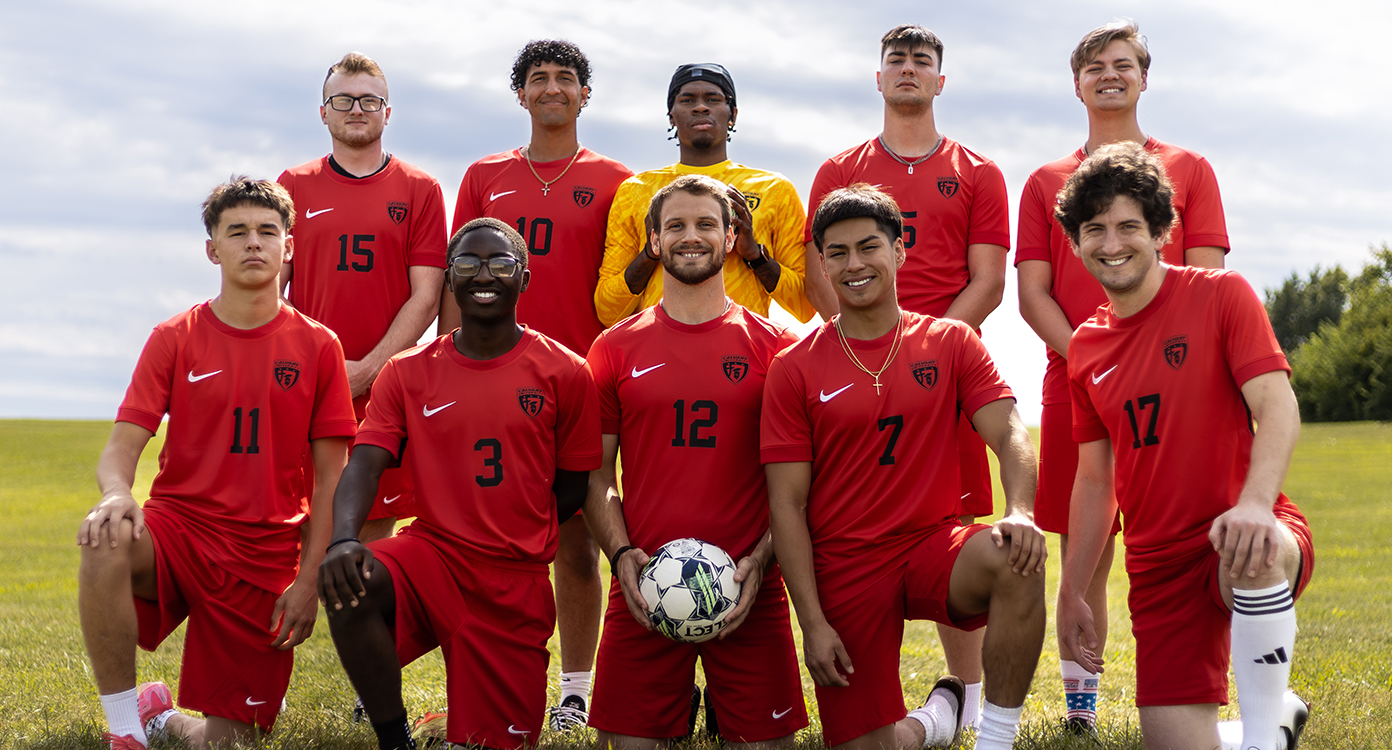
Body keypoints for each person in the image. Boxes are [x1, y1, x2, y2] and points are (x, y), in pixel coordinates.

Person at [77, 178, 356, 749]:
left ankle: (165, 717)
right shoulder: (174, 337)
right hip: (179, 531)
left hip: (263, 552)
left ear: (289, 247)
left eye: (267, 232)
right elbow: (122, 448)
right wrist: (115, 492)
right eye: (238, 232)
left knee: (230, 744)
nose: (254, 243)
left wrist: (307, 581)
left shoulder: (319, 345)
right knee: (104, 537)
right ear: (213, 249)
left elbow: (332, 480)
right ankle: (125, 729)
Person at [764, 185, 1046, 750]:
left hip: (931, 543)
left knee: (1015, 558)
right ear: (821, 263)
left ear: (900, 251)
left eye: (869, 246)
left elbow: (1010, 430)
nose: (854, 264)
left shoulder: (949, 342)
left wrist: (1019, 511)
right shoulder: (793, 367)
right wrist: (813, 624)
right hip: (846, 564)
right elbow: (786, 505)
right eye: (837, 253)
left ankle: (995, 739)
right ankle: (935, 721)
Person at [1055, 143, 1312, 750]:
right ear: (1075, 242)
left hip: (1241, 523)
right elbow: (1095, 480)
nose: (1111, 243)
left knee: (1257, 549)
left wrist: (1255, 504)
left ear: (1161, 231)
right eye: (1094, 229)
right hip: (1159, 568)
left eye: (1128, 226)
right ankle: (1276, 726)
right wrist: (1070, 590)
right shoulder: (1086, 350)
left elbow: (1277, 405)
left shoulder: (1221, 296)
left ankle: (1258, 731)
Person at [1012, 21, 1230, 729]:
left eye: (1123, 63)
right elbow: (1033, 292)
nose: (1109, 74)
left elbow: (1206, 277)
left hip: (1177, 385)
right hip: (1077, 376)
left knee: (1187, 541)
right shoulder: (1046, 181)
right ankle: (1082, 711)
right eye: (1094, 66)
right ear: (1076, 84)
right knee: (1086, 546)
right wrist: (1094, 361)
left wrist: (1149, 363)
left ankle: (1205, 696)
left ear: (1144, 76)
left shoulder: (1189, 167)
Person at [318, 218, 601, 750]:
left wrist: (517, 527)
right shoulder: (407, 371)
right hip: (435, 556)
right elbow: (365, 463)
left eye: (500, 263)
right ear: (449, 278)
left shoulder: (566, 371)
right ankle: (393, 738)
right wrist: (344, 538)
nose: (483, 275)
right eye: (468, 264)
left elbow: (572, 484)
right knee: (350, 582)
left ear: (525, 278)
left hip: (513, 578)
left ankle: (454, 722)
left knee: (492, 743)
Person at [801, 24, 1011, 726]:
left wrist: (931, 350)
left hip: (944, 377)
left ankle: (970, 699)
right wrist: (860, 345)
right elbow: (819, 271)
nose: (910, 69)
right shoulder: (839, 169)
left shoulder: (978, 171)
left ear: (940, 81)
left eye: (924, 60)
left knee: (955, 522)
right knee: (853, 520)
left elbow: (987, 281)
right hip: (852, 375)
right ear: (880, 78)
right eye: (898, 59)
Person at [439, 40, 632, 729]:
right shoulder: (485, 174)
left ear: (585, 95)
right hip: (489, 376)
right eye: (538, 79)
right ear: (519, 94)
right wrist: (444, 362)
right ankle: (484, 680)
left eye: (566, 78)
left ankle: (574, 693)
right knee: (479, 540)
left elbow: (625, 292)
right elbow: (459, 276)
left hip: (581, 382)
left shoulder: (617, 179)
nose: (552, 88)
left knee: (577, 542)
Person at [583, 175, 808, 748]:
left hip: (750, 582)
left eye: (707, 224)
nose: (691, 236)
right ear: (653, 241)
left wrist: (761, 560)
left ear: (732, 237)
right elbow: (596, 474)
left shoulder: (777, 349)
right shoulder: (614, 348)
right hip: (642, 584)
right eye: (675, 226)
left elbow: (801, 484)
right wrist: (621, 554)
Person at [278, 51, 448, 548]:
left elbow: (427, 295)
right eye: (343, 99)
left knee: (371, 537)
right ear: (324, 111)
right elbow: (271, 287)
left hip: (386, 389)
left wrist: (371, 367)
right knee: (297, 522)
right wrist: (314, 364)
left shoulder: (421, 189)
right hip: (306, 384)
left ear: (387, 112)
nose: (357, 109)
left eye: (370, 100)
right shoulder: (292, 185)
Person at [595, 62, 814, 328]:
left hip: (745, 357)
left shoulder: (773, 189)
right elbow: (607, 311)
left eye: (713, 99)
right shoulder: (636, 191)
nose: (700, 107)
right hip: (658, 351)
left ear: (732, 114)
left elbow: (805, 305)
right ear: (671, 116)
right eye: (687, 100)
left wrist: (754, 255)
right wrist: (651, 252)